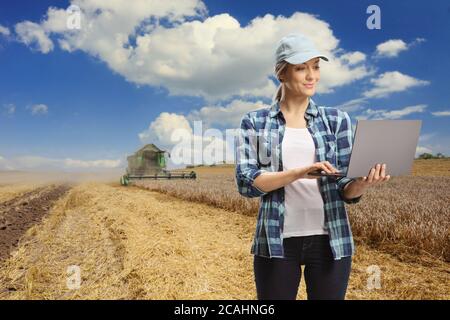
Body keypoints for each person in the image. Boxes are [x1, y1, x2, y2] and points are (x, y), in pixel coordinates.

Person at [235, 33, 390, 300]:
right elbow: (246, 182)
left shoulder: (336, 119)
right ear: (281, 74)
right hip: (276, 240)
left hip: (331, 240)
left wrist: (361, 183)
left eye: (316, 66)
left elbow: (345, 188)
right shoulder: (256, 121)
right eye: (301, 68)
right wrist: (299, 172)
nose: (311, 75)